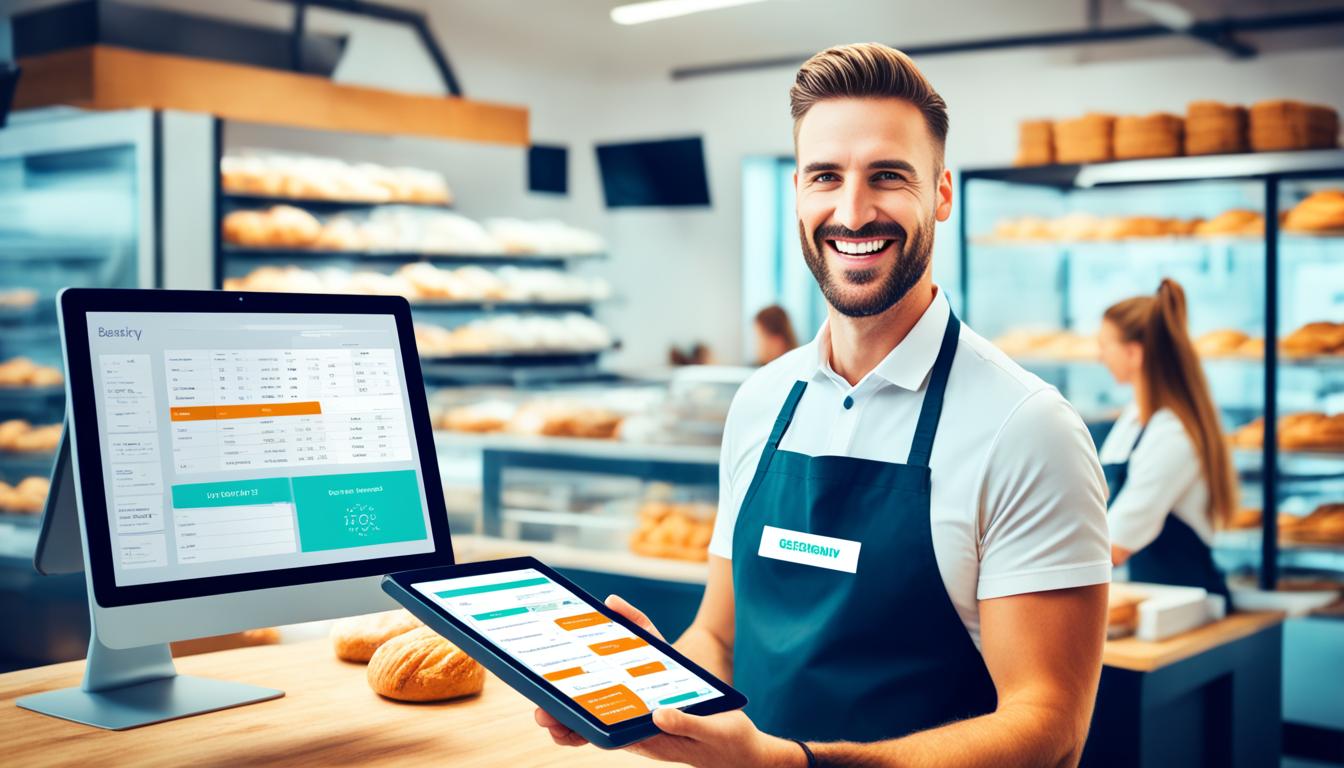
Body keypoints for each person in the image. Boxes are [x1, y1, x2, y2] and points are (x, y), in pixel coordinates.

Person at [537, 42, 1111, 767]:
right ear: (799, 195)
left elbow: (1050, 727)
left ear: (941, 194)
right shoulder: (759, 402)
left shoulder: (1027, 429)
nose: (852, 210)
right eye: (825, 177)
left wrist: (798, 764)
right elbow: (719, 636)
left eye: (888, 177)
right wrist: (649, 689)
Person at [1096, 279, 1236, 601]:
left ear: (1134, 353)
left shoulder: (1174, 433)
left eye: (1105, 345)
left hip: (1190, 604)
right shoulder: (1134, 419)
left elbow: (1115, 545)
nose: (1100, 356)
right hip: (1157, 599)